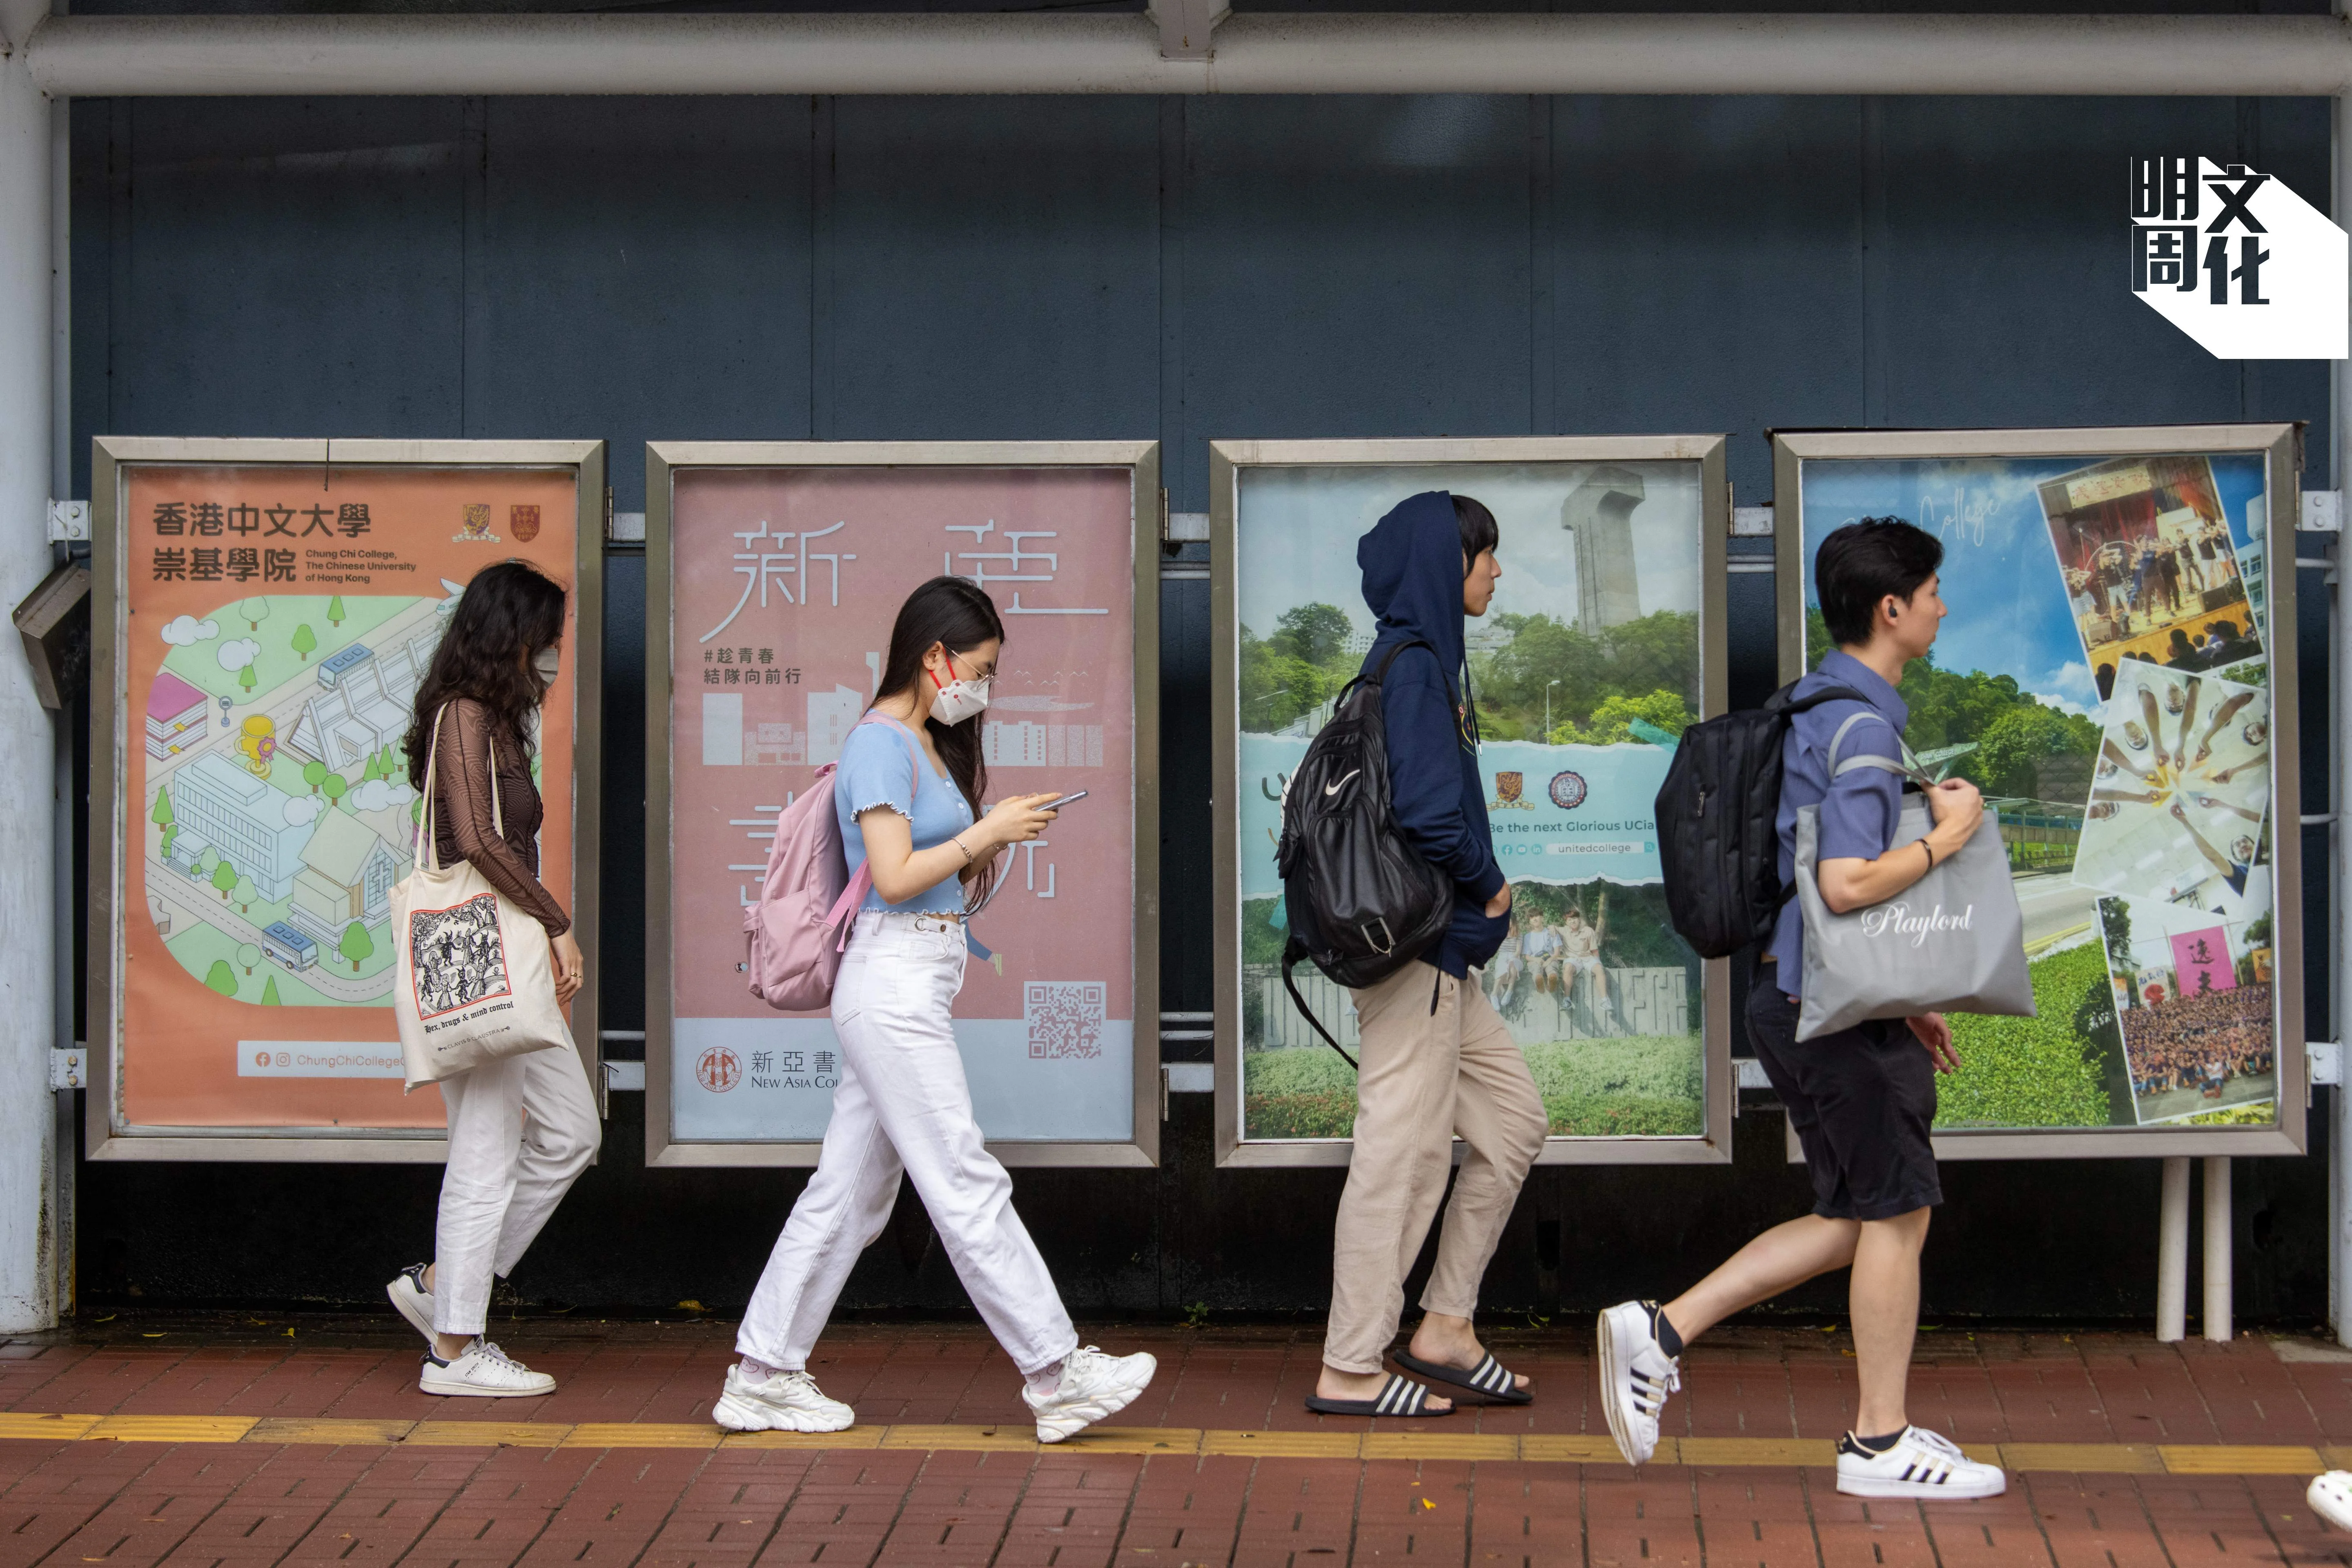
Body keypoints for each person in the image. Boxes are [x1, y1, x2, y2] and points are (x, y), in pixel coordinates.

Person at [1598, 517, 2008, 1500]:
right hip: (1832, 1017)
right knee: (1898, 1217)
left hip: (1801, 1000)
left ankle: (1657, 1331)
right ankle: (1878, 1444)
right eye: (1935, 592)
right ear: (1892, 608)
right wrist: (1952, 834)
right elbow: (1847, 883)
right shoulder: (1865, 727)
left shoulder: (1817, 705)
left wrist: (1904, 998)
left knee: (1854, 1215)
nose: (1945, 607)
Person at [715, 576, 1156, 1442]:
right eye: (980, 669)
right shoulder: (881, 745)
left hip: (906, 980)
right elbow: (890, 877)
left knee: (848, 1194)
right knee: (960, 1177)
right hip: (891, 987)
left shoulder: (917, 741)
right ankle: (1056, 1371)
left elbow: (929, 873)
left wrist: (986, 840)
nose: (982, 688)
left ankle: (763, 1372)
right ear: (934, 657)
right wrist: (987, 832)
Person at [1305, 492, 1547, 1419]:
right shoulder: (1412, 671)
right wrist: (1491, 886)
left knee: (1515, 1125)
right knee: (1400, 1157)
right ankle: (1352, 1367)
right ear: (1448, 564)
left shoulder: (1417, 664)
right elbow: (1429, 816)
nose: (1494, 572)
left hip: (1439, 965)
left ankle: (1443, 1326)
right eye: (1485, 556)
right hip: (1420, 961)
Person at [384, 561, 599, 1398]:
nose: (552, 655)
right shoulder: (463, 715)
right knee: (485, 1149)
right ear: (509, 635)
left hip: (505, 961)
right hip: (485, 959)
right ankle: (454, 1350)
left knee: (573, 1133)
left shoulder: (496, 720)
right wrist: (557, 924)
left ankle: (446, 1289)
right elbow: (477, 838)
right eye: (545, 638)